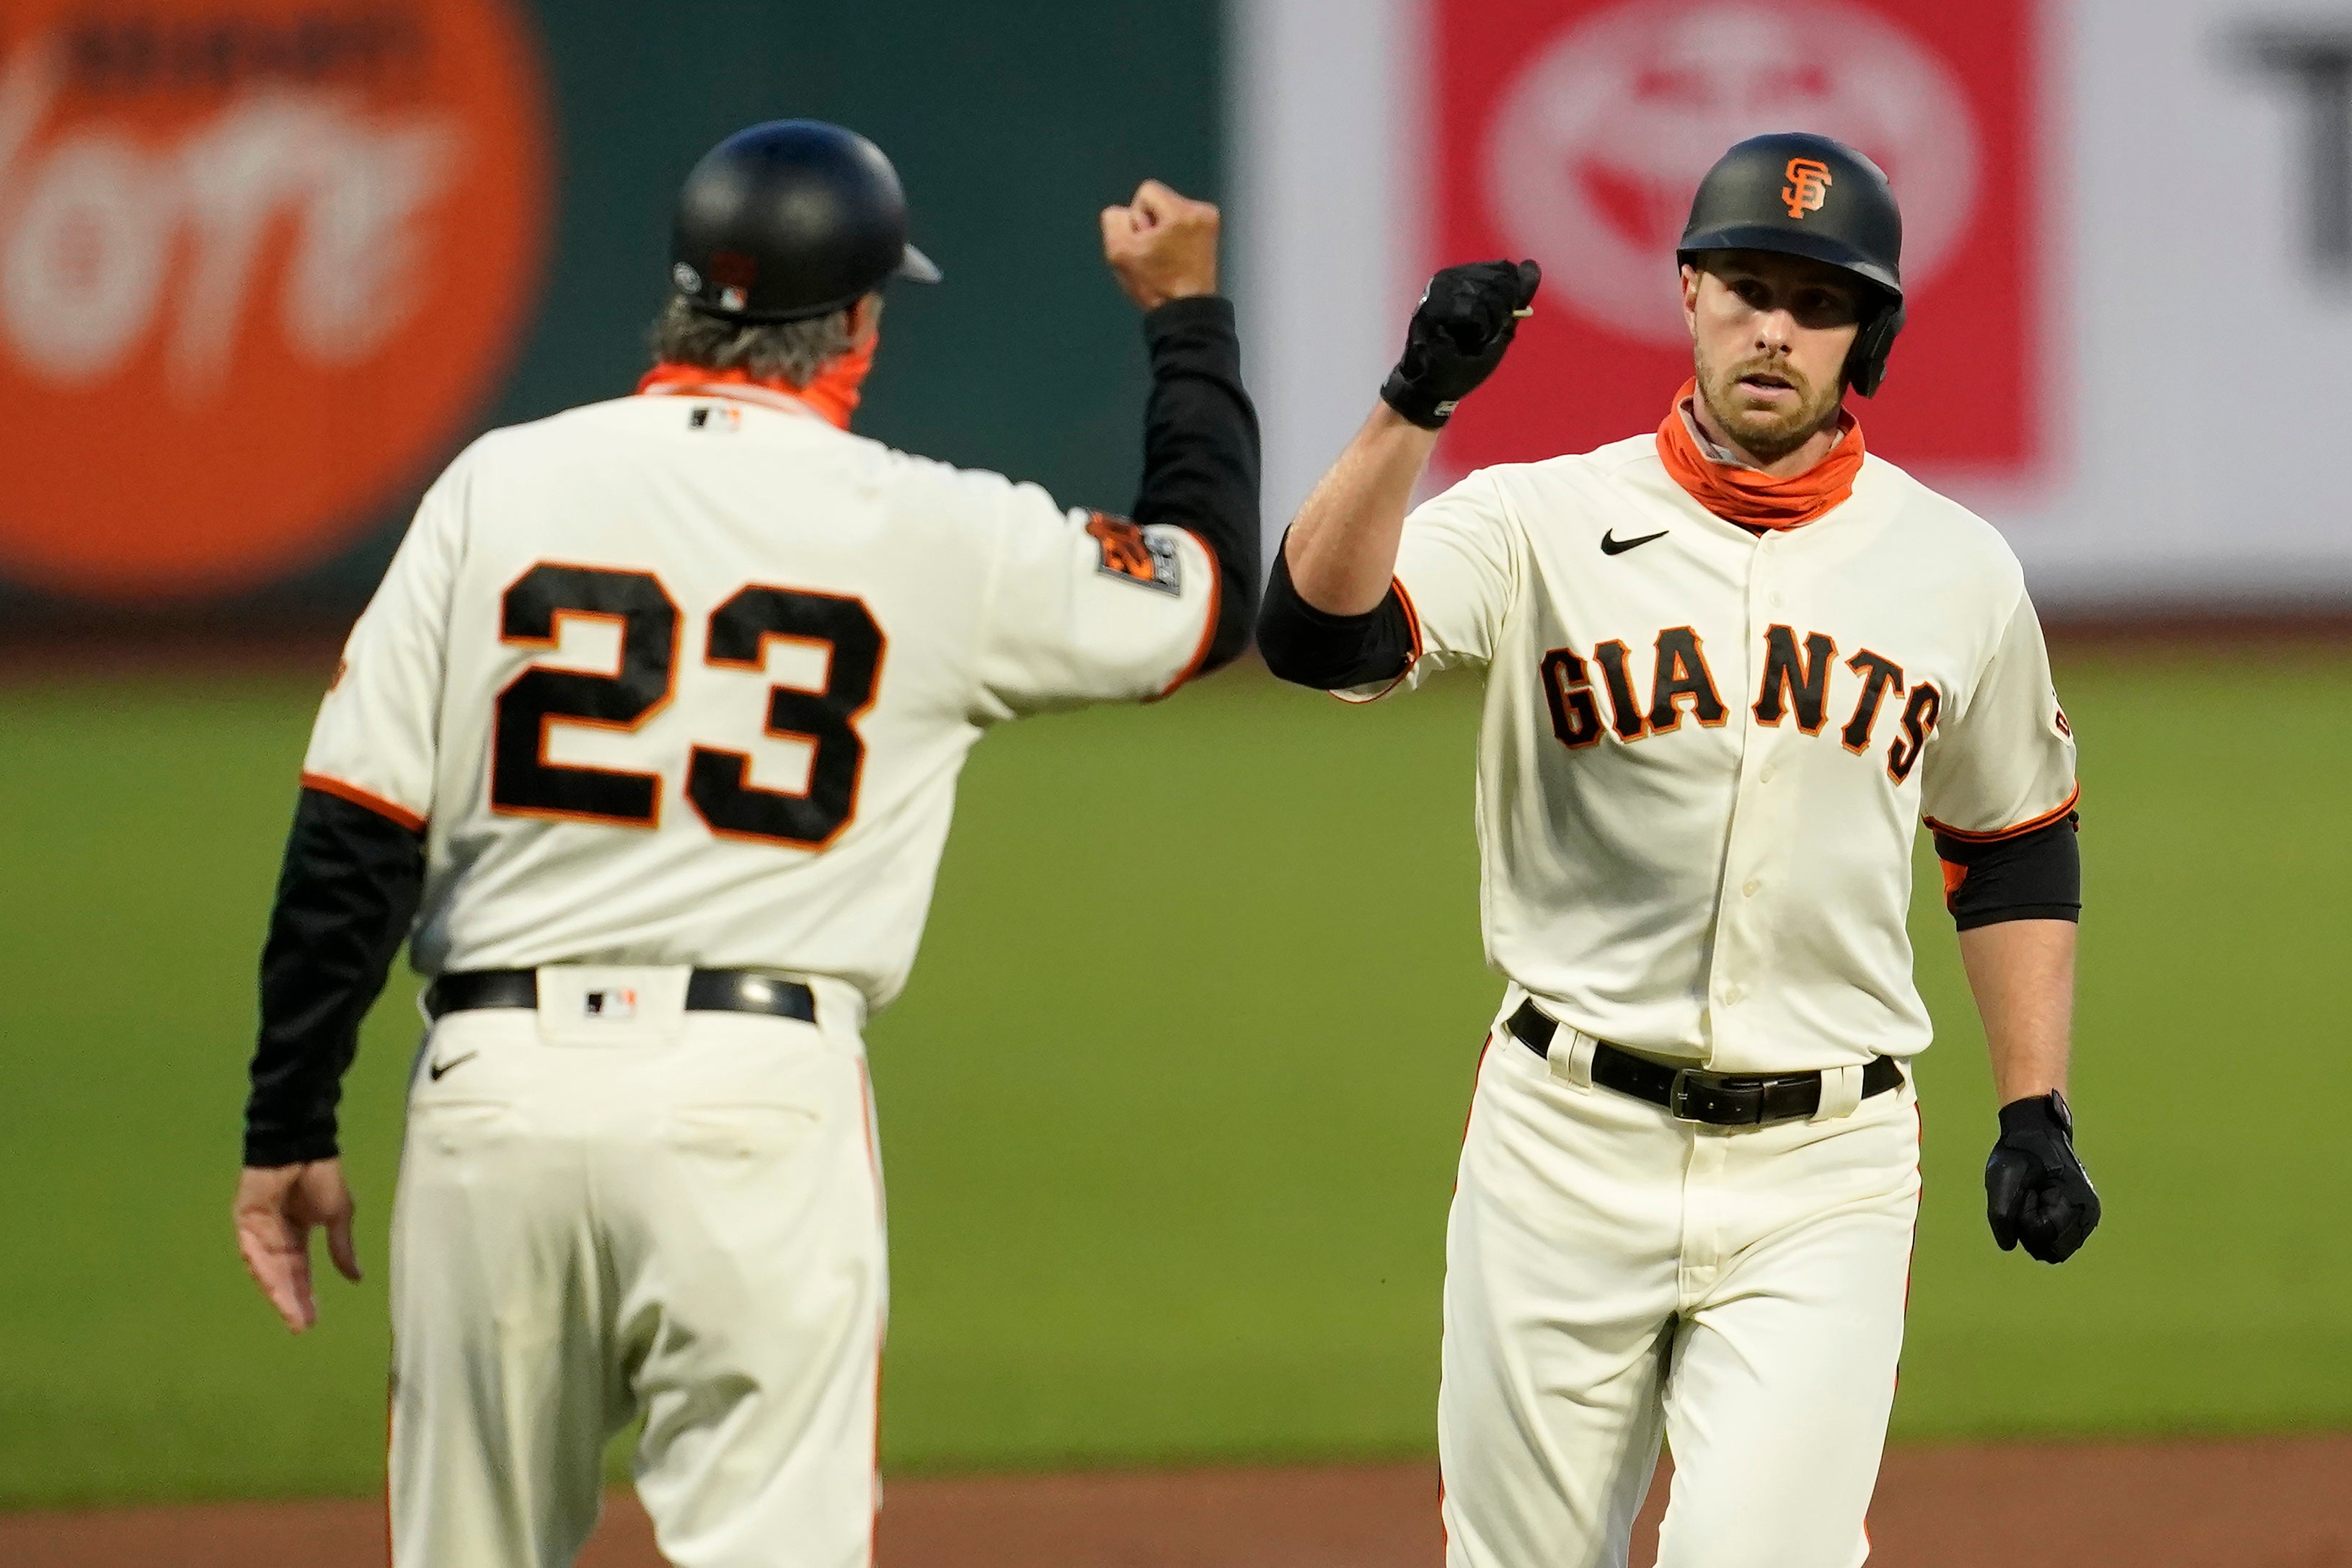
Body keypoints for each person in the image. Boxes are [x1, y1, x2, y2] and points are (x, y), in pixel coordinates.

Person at [230, 119, 1257, 1568]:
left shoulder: (496, 486)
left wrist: (288, 1122)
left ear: (684, 299)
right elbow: (1204, 594)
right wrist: (1187, 321)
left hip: (491, 1097)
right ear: (853, 320)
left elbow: (357, 827)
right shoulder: (928, 527)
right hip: (754, 1101)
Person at [1255, 131, 2099, 1567]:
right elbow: (1315, 633)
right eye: (1744, 285)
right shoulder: (1541, 518)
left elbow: (2010, 834)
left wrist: (2034, 1106)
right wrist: (1411, 405)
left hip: (1823, 1164)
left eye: (1816, 300)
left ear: (1865, 337)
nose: (1774, 325)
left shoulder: (1952, 568)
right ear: (1688, 295)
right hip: (1562, 1142)